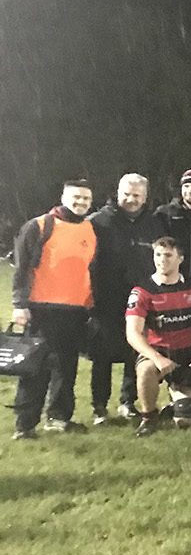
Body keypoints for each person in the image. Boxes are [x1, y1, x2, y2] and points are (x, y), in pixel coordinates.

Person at [10, 179, 98, 439]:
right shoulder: (39, 226)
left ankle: (59, 418)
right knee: (35, 368)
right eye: (76, 197)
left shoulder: (89, 229)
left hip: (75, 311)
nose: (80, 202)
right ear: (63, 197)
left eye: (86, 199)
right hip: (41, 310)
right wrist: (19, 305)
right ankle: (25, 425)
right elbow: (21, 269)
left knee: (66, 367)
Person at [89, 173, 165, 422]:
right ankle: (100, 407)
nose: (131, 200)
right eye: (127, 194)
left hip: (141, 300)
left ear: (145, 197)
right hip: (106, 300)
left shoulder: (154, 223)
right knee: (102, 355)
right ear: (118, 193)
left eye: (137, 195)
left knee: (135, 351)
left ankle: (127, 402)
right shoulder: (99, 221)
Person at [125, 237, 191, 437]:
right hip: (158, 352)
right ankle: (149, 417)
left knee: (186, 421)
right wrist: (157, 358)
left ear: (180, 259)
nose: (162, 260)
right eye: (158, 255)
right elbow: (133, 333)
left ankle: (175, 404)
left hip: (186, 355)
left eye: (168, 255)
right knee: (146, 369)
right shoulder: (142, 291)